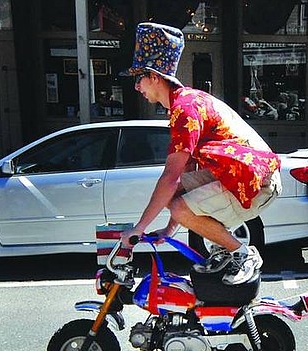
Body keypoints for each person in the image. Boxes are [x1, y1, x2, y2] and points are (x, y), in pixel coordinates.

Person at [119, 23, 282, 286]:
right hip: (245, 176)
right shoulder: (186, 103)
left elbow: (169, 176)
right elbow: (182, 177)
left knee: (179, 203)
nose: (137, 87)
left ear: (154, 76)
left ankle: (242, 254)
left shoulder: (185, 109)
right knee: (179, 199)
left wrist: (139, 229)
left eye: (139, 78)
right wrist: (170, 229)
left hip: (256, 182)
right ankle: (227, 251)